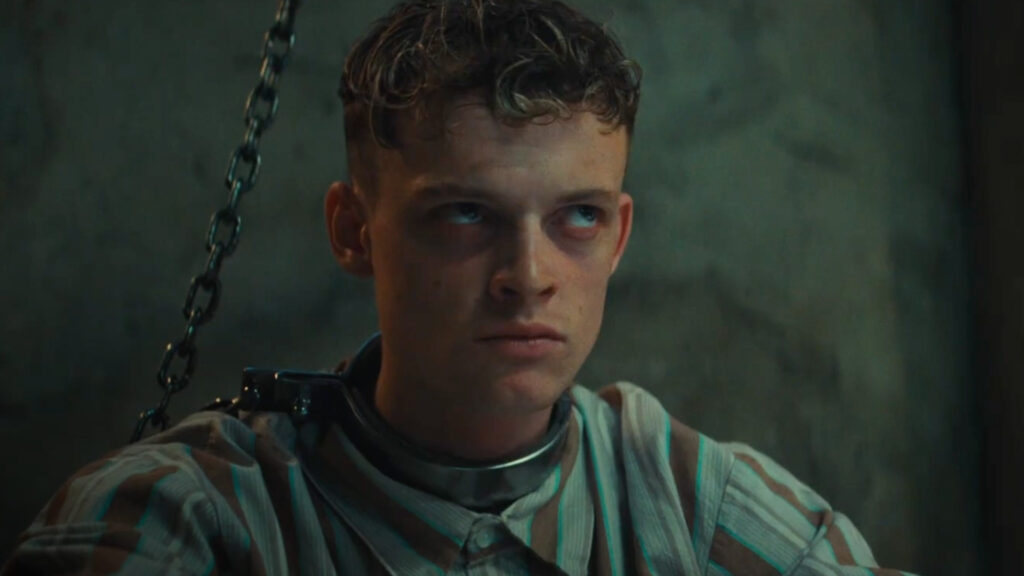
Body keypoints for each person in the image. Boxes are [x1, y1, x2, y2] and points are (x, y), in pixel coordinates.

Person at [3, 1, 918, 574]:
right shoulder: (188, 522)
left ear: (619, 235)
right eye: (467, 215)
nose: (529, 278)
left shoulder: (690, 503)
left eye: (578, 216)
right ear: (354, 231)